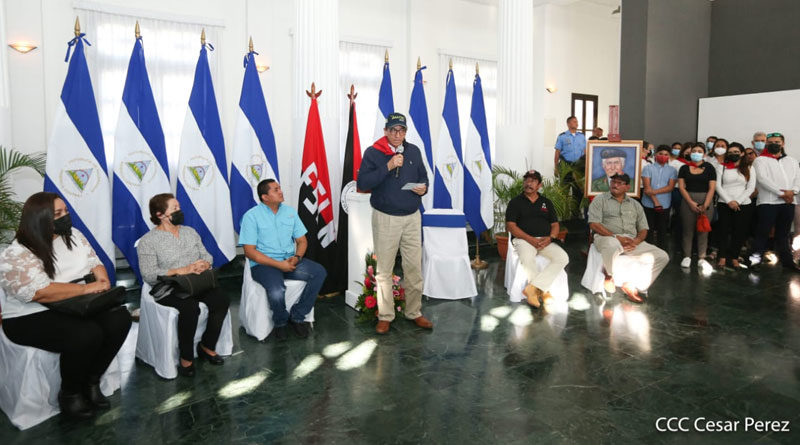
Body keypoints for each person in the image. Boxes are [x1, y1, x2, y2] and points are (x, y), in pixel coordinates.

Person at [0, 192, 131, 419]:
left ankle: (91, 380)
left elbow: (94, 262)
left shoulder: (74, 235)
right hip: (30, 315)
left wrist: (101, 281)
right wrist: (84, 289)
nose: (65, 218)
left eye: (66, 212)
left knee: (120, 318)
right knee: (86, 334)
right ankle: (70, 393)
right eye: (58, 214)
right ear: (39, 219)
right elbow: (39, 292)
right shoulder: (16, 252)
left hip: (75, 305)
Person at [137, 193, 230, 376]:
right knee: (190, 308)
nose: (180, 211)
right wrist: (181, 270)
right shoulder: (148, 241)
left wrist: (203, 264)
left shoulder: (190, 232)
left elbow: (207, 256)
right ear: (160, 215)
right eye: (175, 208)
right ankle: (186, 358)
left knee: (221, 299)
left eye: (179, 207)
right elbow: (149, 274)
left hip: (197, 280)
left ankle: (207, 346)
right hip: (171, 285)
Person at [357, 112, 432, 335]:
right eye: (393, 130)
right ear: (386, 131)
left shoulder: (414, 151)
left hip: (412, 217)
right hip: (386, 217)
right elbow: (363, 182)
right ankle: (386, 315)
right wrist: (388, 166)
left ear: (405, 132)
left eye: (401, 130)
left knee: (414, 268)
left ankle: (414, 312)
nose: (398, 135)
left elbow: (424, 177)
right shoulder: (373, 153)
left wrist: (424, 187)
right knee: (384, 271)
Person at [240, 179, 327, 339]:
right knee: (277, 291)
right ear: (265, 197)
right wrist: (278, 265)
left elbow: (302, 241)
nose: (281, 191)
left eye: (280, 188)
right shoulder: (251, 217)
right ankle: (280, 322)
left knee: (319, 272)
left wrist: (296, 257)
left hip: (289, 261)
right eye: (275, 189)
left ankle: (298, 315)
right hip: (264, 264)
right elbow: (250, 252)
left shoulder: (290, 212)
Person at [588, 174, 669, 303]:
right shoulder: (600, 200)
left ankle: (635, 285)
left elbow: (643, 229)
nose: (614, 185)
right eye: (613, 181)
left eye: (619, 183)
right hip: (606, 237)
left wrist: (636, 241)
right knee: (613, 244)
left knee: (662, 256)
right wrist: (616, 237)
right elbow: (594, 224)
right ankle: (609, 275)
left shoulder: (635, 204)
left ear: (627, 187)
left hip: (631, 240)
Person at [505, 170, 569, 308]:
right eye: (527, 180)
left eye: (533, 181)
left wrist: (550, 238)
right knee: (528, 258)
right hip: (523, 240)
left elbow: (555, 225)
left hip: (544, 240)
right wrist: (530, 239)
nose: (529, 183)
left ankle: (533, 289)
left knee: (563, 258)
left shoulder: (546, 202)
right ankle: (542, 291)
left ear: (539, 185)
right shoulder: (515, 202)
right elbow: (510, 226)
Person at [749, 132, 800, 270]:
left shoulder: (792, 160)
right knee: (762, 232)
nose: (774, 144)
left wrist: (793, 191)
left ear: (783, 144)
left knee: (783, 234)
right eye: (770, 142)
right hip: (768, 202)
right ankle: (755, 261)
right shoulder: (760, 160)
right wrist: (782, 193)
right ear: (766, 143)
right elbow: (763, 180)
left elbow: (797, 178)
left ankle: (788, 263)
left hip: (788, 202)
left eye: (777, 142)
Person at [714, 143, 756, 269]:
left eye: (736, 151)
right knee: (723, 231)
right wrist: (729, 201)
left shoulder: (749, 167)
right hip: (724, 203)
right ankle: (721, 257)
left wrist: (737, 201)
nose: (733, 154)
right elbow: (718, 186)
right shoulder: (721, 167)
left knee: (740, 232)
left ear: (742, 153)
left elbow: (751, 188)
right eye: (730, 152)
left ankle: (734, 257)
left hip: (744, 204)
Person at [677, 143, 717, 271]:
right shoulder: (684, 168)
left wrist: (706, 204)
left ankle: (701, 257)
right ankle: (687, 256)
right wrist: (690, 202)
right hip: (688, 200)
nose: (696, 153)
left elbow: (712, 188)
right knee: (687, 230)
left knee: (703, 230)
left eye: (700, 151)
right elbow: (682, 187)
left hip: (706, 200)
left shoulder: (710, 168)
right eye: (694, 151)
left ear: (704, 154)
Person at [641, 145, 678, 250]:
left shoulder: (672, 170)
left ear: (669, 156)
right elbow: (647, 188)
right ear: (656, 155)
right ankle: (647, 251)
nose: (663, 156)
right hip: (648, 203)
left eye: (666, 155)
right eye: (660, 154)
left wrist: (654, 192)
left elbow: (670, 187)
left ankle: (662, 252)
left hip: (665, 204)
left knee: (662, 229)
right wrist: (655, 201)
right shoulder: (648, 168)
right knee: (648, 229)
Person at [554, 116, 586, 214]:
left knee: (578, 191)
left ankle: (576, 214)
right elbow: (557, 153)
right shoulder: (562, 136)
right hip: (566, 167)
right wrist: (556, 167)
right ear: (568, 124)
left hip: (579, 168)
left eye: (577, 121)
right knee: (564, 191)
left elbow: (585, 152)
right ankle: (562, 214)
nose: (576, 123)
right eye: (574, 121)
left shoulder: (582, 136)